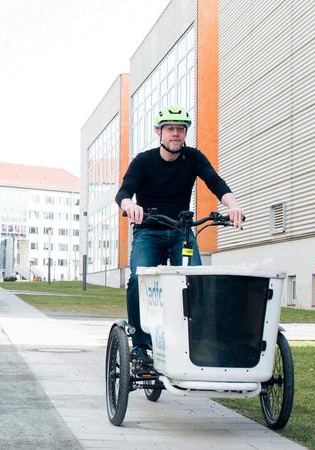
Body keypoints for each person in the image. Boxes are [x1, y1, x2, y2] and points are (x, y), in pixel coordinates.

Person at [115, 105, 244, 374]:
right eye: (170, 129)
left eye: (181, 129)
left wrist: (233, 206)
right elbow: (124, 192)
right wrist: (130, 205)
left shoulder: (192, 158)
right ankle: (140, 343)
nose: (176, 134)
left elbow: (215, 182)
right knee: (139, 278)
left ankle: (193, 342)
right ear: (159, 132)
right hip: (148, 230)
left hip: (180, 232)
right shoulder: (144, 160)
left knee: (195, 281)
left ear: (185, 134)